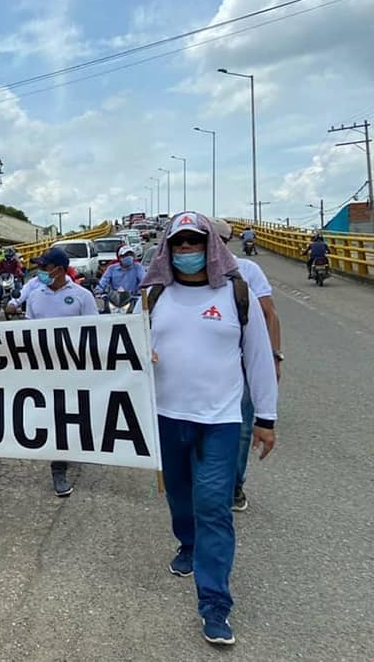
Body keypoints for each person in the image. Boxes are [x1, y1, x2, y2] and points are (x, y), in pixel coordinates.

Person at [141, 211, 277, 646]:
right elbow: (125, 346)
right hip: (166, 417)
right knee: (180, 496)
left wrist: (266, 419)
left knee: (214, 506)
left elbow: (259, 357)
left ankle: (215, 603)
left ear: (209, 247)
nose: (186, 252)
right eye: (178, 244)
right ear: (168, 249)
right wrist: (144, 358)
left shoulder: (238, 294)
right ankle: (188, 544)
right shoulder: (153, 296)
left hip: (219, 420)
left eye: (194, 243)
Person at [213, 219, 283, 512]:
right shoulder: (183, 279)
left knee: (242, 429)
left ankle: (233, 485)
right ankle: (217, 484)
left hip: (243, 364)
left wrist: (273, 356)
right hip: (211, 367)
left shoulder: (248, 271)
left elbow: (268, 314)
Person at [24, 248, 99, 496]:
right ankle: (58, 469)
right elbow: (27, 332)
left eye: (44, 267)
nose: (41, 272)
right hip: (45, 369)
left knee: (73, 415)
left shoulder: (82, 296)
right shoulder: (35, 296)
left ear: (58, 268)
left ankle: (74, 449)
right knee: (54, 417)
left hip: (75, 369)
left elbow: (95, 333)